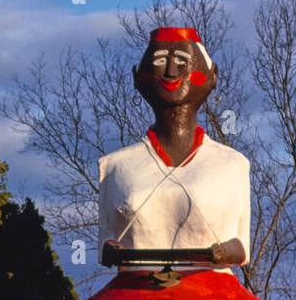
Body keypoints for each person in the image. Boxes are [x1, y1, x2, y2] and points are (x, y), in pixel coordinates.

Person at [98, 26, 250, 280]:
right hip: (135, 299)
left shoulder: (233, 164)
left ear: (212, 76)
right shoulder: (114, 166)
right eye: (159, 61)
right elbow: (106, 247)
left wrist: (221, 252)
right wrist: (115, 252)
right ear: (139, 76)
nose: (170, 72)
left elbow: (241, 248)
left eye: (183, 62)